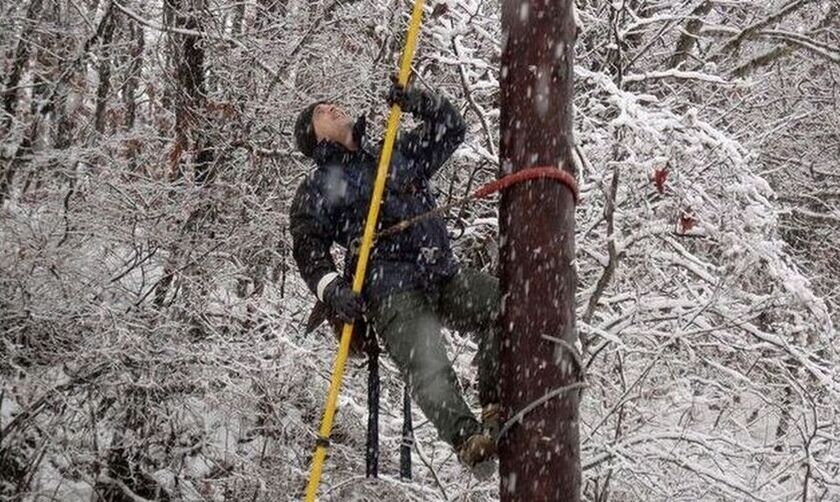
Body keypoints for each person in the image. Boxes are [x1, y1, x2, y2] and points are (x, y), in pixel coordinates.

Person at [289, 81, 500, 470]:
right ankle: (469, 439)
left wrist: (421, 101)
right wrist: (331, 289)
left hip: (442, 273)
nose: (334, 108)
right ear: (314, 139)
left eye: (333, 103)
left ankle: (495, 405)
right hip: (391, 290)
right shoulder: (317, 187)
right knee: (427, 363)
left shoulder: (394, 152)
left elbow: (451, 128)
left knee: (505, 304)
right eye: (322, 112)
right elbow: (308, 248)